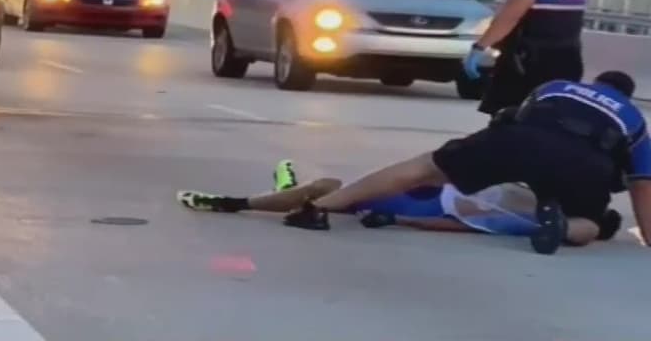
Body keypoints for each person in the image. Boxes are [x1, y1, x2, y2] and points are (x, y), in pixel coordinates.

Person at [280, 71, 651, 255]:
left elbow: (510, 118)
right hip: (587, 165)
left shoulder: (556, 86)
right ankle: (561, 226)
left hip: (521, 139)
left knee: (424, 168)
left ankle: (319, 207)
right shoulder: (634, 119)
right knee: (590, 222)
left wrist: (476, 159)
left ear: (594, 82)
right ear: (626, 95)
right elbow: (642, 184)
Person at [178, 162, 624, 243]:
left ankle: (235, 203)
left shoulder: (528, 215)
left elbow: (464, 225)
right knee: (323, 187)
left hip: (416, 202)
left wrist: (398, 220)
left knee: (324, 189)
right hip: (422, 196)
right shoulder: (533, 204)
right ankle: (275, 190)